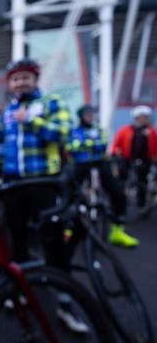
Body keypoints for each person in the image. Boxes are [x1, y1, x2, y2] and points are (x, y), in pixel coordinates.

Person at [0, 59, 88, 332]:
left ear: (35, 79)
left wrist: (32, 120)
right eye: (15, 79)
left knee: (53, 240)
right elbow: (3, 147)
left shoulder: (52, 103)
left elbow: (65, 134)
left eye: (25, 78)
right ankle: (22, 292)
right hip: (13, 185)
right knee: (16, 240)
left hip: (44, 182)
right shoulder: (7, 112)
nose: (20, 83)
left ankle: (65, 301)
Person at [68, 105, 138, 247]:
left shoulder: (98, 129)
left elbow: (103, 144)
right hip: (81, 165)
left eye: (92, 114)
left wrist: (85, 143)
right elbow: (72, 148)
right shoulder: (75, 131)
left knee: (118, 192)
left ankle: (118, 230)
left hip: (100, 163)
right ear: (81, 116)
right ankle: (68, 228)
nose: (90, 116)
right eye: (87, 114)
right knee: (69, 193)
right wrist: (91, 143)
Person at [110, 105, 157, 213]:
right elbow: (116, 144)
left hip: (145, 160)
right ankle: (121, 201)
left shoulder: (151, 131)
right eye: (142, 117)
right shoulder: (125, 130)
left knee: (142, 181)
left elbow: (155, 147)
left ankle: (141, 203)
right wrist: (113, 154)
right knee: (123, 179)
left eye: (146, 117)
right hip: (126, 159)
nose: (144, 119)